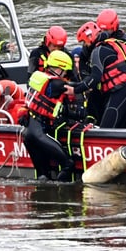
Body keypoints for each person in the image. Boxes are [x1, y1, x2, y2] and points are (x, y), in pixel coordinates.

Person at [73, 20, 126, 129]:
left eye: (84, 42)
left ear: (90, 38)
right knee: (124, 128)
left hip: (121, 92)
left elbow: (95, 78)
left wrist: (75, 89)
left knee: (106, 128)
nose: (85, 45)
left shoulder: (98, 50)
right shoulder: (113, 43)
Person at [22, 50, 77, 182]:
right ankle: (60, 195)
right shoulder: (56, 84)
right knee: (68, 164)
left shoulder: (37, 77)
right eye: (65, 72)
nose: (65, 75)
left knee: (43, 175)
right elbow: (76, 87)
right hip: (39, 132)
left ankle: (44, 198)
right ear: (59, 69)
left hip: (29, 133)